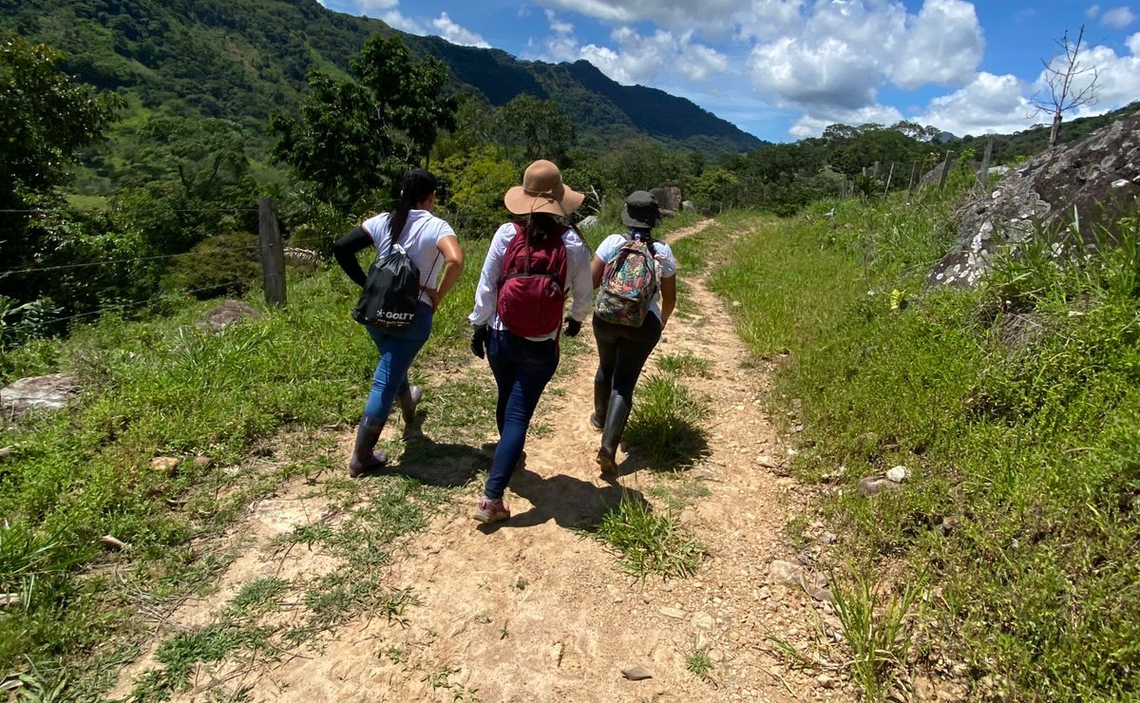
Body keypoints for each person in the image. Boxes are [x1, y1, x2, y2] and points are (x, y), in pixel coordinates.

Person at [468, 159, 593, 523]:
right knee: (519, 413)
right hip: (540, 343)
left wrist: (479, 326)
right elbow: (584, 293)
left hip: (501, 336)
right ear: (559, 202)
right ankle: (492, 498)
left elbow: (488, 284)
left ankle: (512, 457)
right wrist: (575, 321)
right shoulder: (572, 243)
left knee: (507, 399)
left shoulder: (506, 235)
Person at [333, 168, 464, 478]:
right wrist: (436, 296)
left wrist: (366, 284)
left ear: (402, 192)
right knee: (386, 376)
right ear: (432, 196)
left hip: (375, 312)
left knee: (391, 362)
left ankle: (408, 402)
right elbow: (455, 261)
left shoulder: (382, 221)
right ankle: (361, 457)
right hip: (412, 317)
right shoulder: (437, 226)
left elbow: (341, 248)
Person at [590, 190, 677, 473]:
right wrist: (659, 323)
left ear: (626, 215)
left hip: (606, 318)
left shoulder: (613, 242)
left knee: (606, 366)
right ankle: (609, 446)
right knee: (624, 382)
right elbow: (670, 298)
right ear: (654, 220)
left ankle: (600, 418)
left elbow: (591, 280)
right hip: (643, 324)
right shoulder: (662, 251)